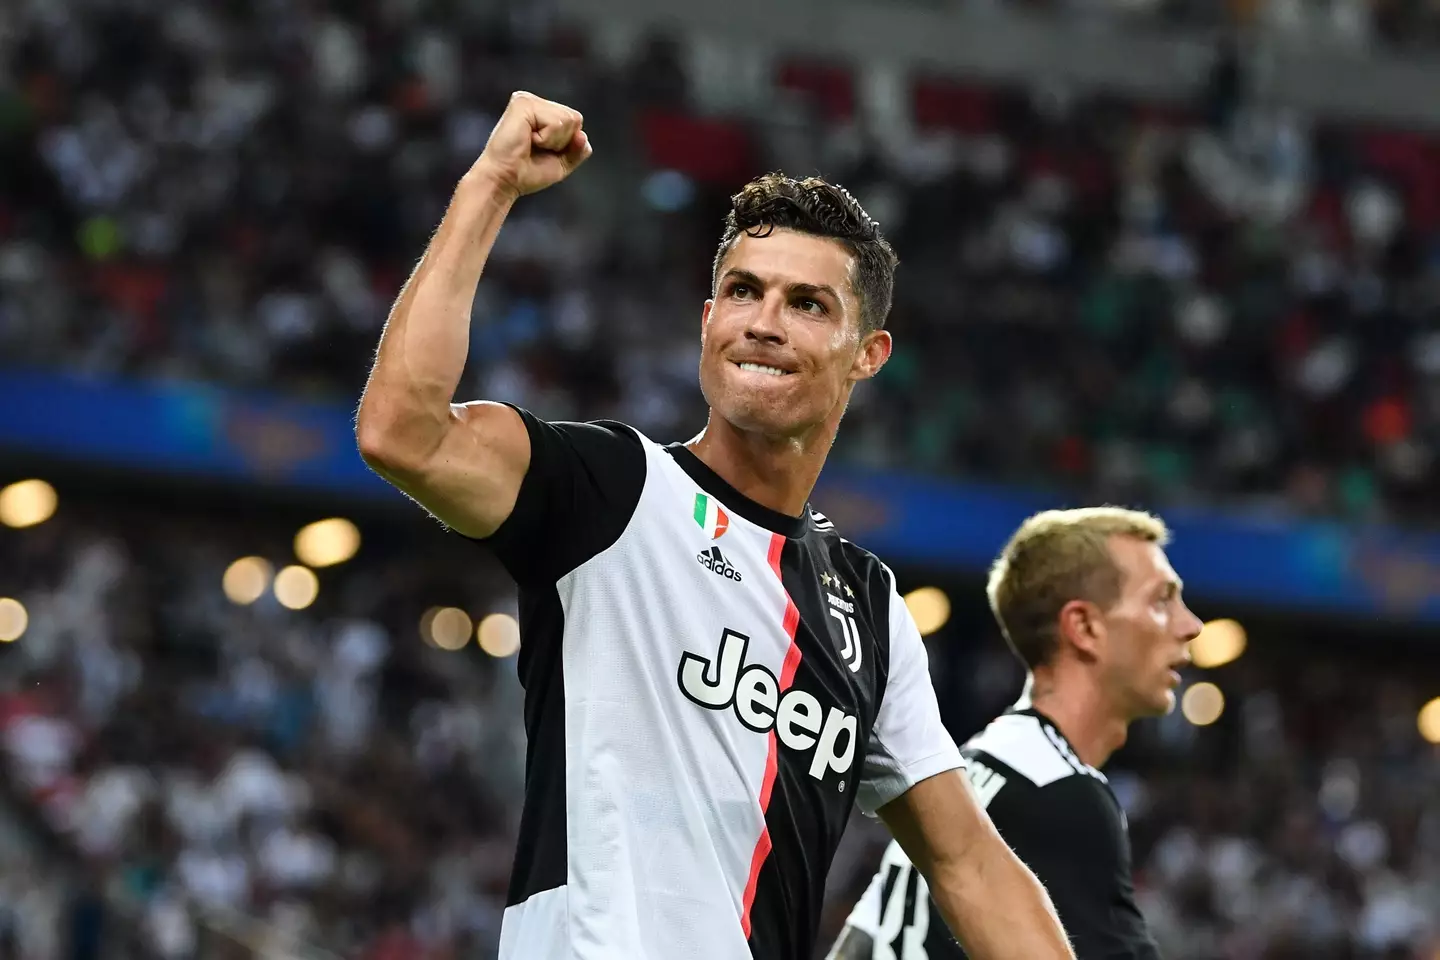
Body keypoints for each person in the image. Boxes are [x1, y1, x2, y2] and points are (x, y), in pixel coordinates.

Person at [355, 91, 1074, 960]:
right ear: (708, 323)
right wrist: (490, 184)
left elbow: (969, 863)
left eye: (808, 304)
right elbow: (402, 432)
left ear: (868, 354)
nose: (764, 323)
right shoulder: (611, 488)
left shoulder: (868, 607)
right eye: (743, 292)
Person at [827, 507, 1203, 960]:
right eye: (1161, 601)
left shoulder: (965, 771)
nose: (1191, 625)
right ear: (1084, 627)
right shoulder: (1063, 796)